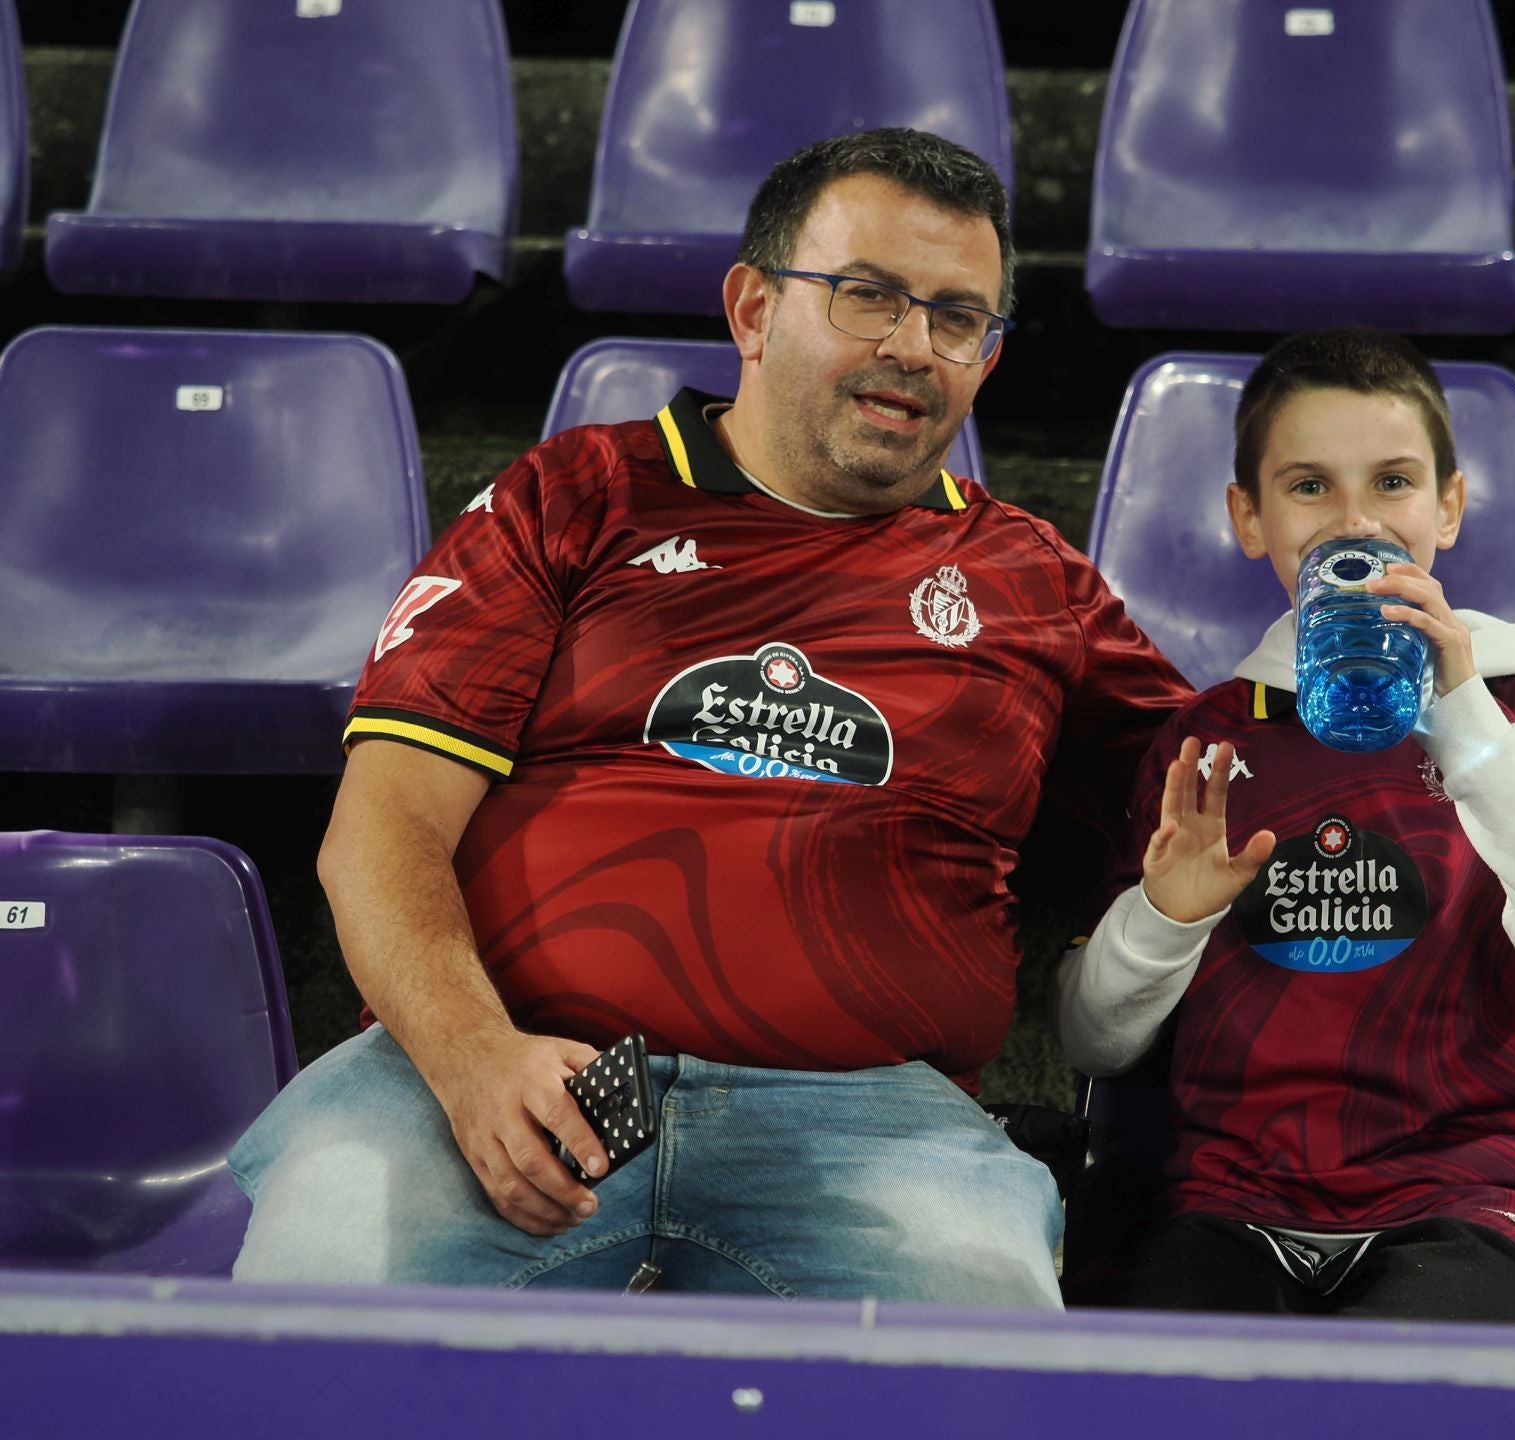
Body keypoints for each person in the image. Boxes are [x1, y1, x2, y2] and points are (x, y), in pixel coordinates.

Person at [226, 128, 1191, 1305]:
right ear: (753, 308)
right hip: (501, 1068)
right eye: (869, 296)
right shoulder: (574, 497)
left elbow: (1241, 783)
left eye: (958, 318)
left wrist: (1390, 655)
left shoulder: (1032, 582)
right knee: (325, 1295)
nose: (912, 346)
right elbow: (384, 826)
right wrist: (473, 1057)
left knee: (969, 1345)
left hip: (875, 1123)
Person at [1054, 329, 1515, 1323]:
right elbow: (1091, 1041)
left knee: (1409, 1387)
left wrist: (1467, 723)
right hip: (1232, 1205)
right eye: (1309, 487)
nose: (1357, 523)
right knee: (1168, 1382)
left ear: (1447, 506)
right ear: (1250, 518)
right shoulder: (1206, 741)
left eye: (1393, 482)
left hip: (1473, 1198)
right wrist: (1165, 917)